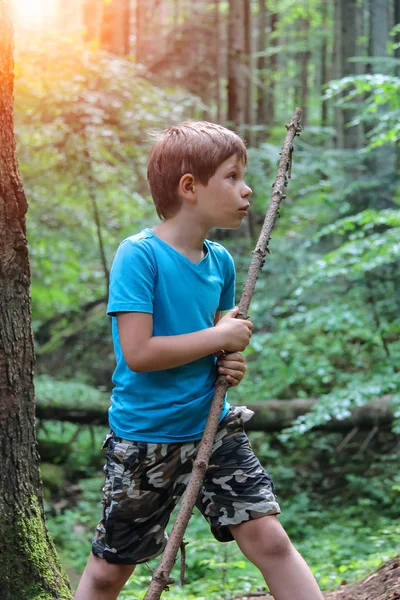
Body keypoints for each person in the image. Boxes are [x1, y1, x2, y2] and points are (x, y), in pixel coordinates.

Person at [75, 121, 323, 600]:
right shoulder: (139, 255)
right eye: (231, 176)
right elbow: (140, 353)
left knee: (269, 539)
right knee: (109, 572)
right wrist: (218, 337)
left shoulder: (220, 262)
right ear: (189, 187)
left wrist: (230, 360)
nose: (247, 188)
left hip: (212, 425)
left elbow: (214, 347)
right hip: (146, 438)